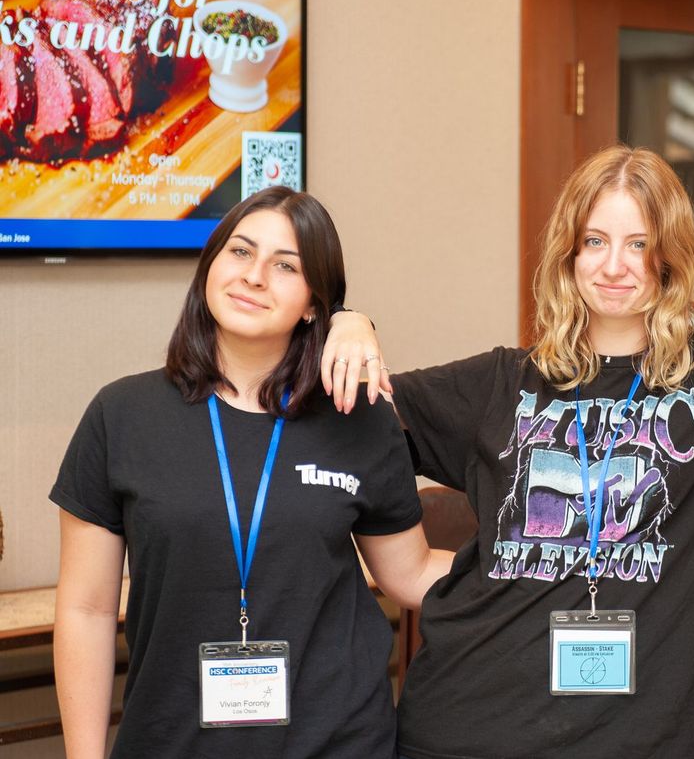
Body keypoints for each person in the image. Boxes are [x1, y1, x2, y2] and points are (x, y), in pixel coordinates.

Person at [321, 145, 694, 757]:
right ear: (569, 255)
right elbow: (351, 425)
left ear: (669, 255)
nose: (614, 266)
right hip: (475, 723)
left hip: (654, 735)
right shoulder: (499, 384)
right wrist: (349, 323)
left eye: (638, 243)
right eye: (595, 241)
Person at [51, 186, 452, 759]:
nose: (254, 276)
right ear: (210, 265)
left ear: (315, 303)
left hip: (338, 739)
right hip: (172, 740)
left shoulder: (355, 416)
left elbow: (409, 573)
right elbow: (86, 611)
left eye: (285, 265)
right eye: (240, 252)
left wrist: (541, 568)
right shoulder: (122, 415)